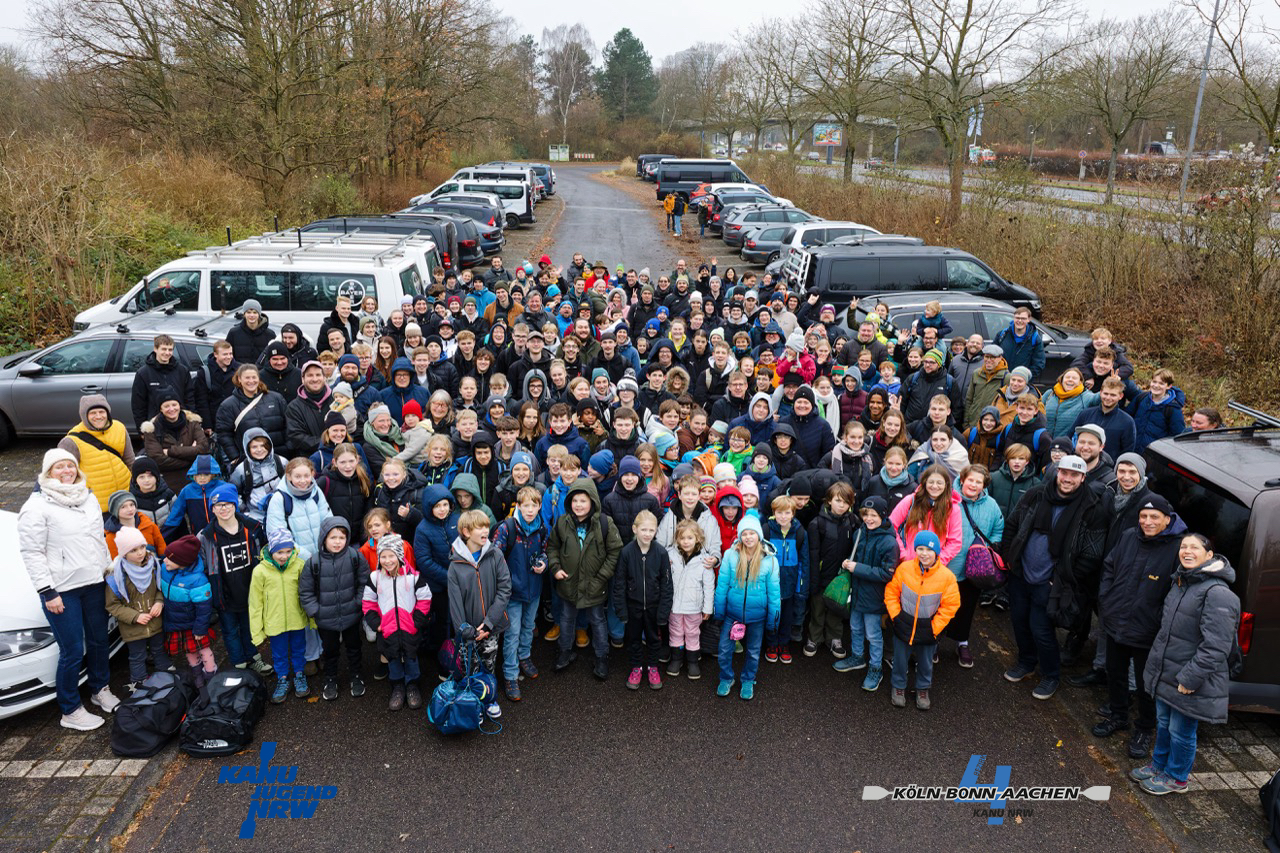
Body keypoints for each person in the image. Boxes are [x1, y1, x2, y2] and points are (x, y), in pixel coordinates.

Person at [17, 450, 120, 730]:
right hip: (62, 591)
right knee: (72, 650)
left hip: (93, 583)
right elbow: (32, 552)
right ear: (48, 472)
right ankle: (70, 708)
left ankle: (99, 689)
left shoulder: (87, 497)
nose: (66, 471)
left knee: (99, 640)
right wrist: (47, 591)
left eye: (70, 466)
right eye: (59, 467)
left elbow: (98, 539)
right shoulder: (36, 507)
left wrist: (108, 571)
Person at [1132, 533, 1240, 795]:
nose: (1187, 551)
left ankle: (1177, 777)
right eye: (1183, 546)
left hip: (1189, 678)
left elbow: (1216, 646)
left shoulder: (1218, 593)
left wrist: (1190, 678)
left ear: (1209, 555)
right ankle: (1159, 766)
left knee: (1181, 731)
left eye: (1194, 547)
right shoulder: (1181, 581)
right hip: (1168, 672)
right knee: (1164, 723)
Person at [1000, 455, 1111, 701]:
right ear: (1057, 473)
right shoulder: (1036, 495)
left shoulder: (1092, 508)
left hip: (1052, 584)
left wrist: (1060, 580)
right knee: (1019, 621)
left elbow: (1091, 556)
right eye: (1064, 473)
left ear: (1083, 478)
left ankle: (1051, 674)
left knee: (1041, 629)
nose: (1068, 479)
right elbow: (1012, 525)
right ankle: (1026, 662)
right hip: (1020, 574)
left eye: (1074, 475)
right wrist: (1009, 558)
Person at [1095, 495, 1186, 760]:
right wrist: (1107, 599)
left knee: (1147, 684)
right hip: (1116, 622)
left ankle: (1145, 728)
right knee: (1115, 673)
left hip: (1148, 631)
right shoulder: (1128, 537)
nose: (1147, 521)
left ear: (1167, 519)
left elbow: (1178, 591)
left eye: (1154, 517)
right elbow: (1109, 566)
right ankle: (1118, 715)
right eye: (1143, 516)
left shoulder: (1177, 548)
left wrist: (1158, 619)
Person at [549, 478, 623, 680]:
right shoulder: (562, 522)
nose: (578, 505)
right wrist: (555, 567)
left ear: (593, 502)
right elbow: (552, 547)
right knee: (566, 618)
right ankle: (565, 650)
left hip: (595, 584)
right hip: (568, 582)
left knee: (597, 620)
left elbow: (615, 551)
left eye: (583, 501)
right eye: (575, 501)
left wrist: (602, 577)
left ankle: (601, 656)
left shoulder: (605, 524)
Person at [198, 483, 272, 675]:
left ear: (235, 505)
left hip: (249, 590)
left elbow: (263, 555)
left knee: (250, 628)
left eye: (227, 504)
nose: (223, 509)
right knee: (230, 631)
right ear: (212, 509)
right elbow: (203, 566)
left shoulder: (252, 529)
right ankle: (239, 664)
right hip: (224, 594)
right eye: (218, 505)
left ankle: (254, 658)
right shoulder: (206, 536)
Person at [885, 531, 961, 710]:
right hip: (904, 624)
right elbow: (891, 592)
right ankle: (898, 686)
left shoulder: (947, 577)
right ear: (915, 550)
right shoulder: (904, 569)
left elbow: (951, 606)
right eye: (920, 549)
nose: (924, 553)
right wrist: (896, 616)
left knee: (926, 662)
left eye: (929, 549)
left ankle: (923, 688)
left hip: (928, 629)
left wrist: (934, 628)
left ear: (937, 552)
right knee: (900, 659)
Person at [447, 510, 512, 718]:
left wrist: (489, 623)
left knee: (489, 665)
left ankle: (489, 699)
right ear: (466, 532)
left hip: (491, 627)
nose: (486, 531)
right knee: (470, 669)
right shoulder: (455, 566)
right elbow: (455, 604)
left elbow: (504, 589)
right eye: (480, 527)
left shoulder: (495, 555)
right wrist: (466, 630)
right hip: (468, 632)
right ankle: (474, 704)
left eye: (486, 526)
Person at [299, 518, 369, 701]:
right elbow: (305, 591)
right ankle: (330, 678)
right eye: (333, 537)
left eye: (342, 537)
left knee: (354, 647)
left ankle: (356, 675)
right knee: (330, 651)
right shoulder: (313, 562)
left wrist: (358, 603)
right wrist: (316, 611)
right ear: (324, 538)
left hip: (352, 614)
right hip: (326, 618)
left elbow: (364, 582)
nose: (337, 542)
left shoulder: (355, 557)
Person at [713, 514, 781, 701]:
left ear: (759, 535)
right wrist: (719, 612)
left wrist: (773, 622)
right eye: (744, 533)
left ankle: (748, 679)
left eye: (752, 533)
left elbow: (774, 594)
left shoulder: (770, 561)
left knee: (753, 651)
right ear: (740, 536)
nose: (748, 537)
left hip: (757, 617)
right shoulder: (730, 555)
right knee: (724, 649)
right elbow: (722, 585)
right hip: (732, 614)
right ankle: (726, 678)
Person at [834, 496, 899, 691]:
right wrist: (848, 563)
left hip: (874, 596)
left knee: (873, 634)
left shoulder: (889, 543)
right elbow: (855, 558)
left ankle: (876, 667)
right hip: (857, 592)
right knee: (855, 627)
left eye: (874, 515)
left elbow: (887, 574)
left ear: (883, 515)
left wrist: (857, 568)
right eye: (865, 514)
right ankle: (857, 657)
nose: (869, 519)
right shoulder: (859, 533)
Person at [493, 488, 549, 701]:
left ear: (539, 506)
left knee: (528, 626)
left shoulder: (542, 528)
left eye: (534, 505)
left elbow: (545, 551)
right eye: (525, 505)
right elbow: (495, 557)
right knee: (512, 633)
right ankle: (510, 674)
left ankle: (524, 656)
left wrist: (543, 562)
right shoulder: (506, 528)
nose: (530, 510)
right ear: (518, 506)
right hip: (512, 592)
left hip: (533, 589)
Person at [946, 465, 1004, 669]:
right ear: (962, 480)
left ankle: (962, 642)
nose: (973, 484)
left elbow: (998, 529)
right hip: (948, 564)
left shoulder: (991, 505)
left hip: (975, 568)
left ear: (984, 485)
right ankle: (933, 641)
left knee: (967, 606)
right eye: (970, 480)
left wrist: (987, 548)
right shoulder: (948, 499)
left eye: (978, 482)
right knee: (939, 605)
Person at [103, 526, 171, 690]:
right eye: (133, 550)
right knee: (137, 656)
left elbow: (160, 589)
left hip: (155, 621)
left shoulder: (154, 566)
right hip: (132, 628)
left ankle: (167, 677)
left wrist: (159, 602)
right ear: (124, 553)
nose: (140, 553)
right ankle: (139, 684)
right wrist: (135, 616)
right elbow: (112, 605)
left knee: (159, 649)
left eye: (142, 547)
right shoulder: (116, 576)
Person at [613, 510, 673, 691]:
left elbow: (666, 584)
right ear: (635, 529)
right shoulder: (626, 552)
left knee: (654, 639)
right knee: (633, 639)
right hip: (633, 606)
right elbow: (620, 583)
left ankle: (653, 667)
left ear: (656, 531)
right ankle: (636, 667)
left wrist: (663, 611)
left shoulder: (661, 553)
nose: (647, 534)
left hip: (654, 607)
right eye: (643, 529)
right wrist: (622, 610)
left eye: (651, 530)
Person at [250, 529, 312, 703]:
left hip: (297, 619)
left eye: (288, 551)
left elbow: (307, 593)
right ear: (271, 551)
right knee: (279, 653)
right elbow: (255, 603)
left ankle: (299, 675)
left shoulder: (299, 565)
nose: (284, 556)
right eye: (279, 552)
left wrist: (312, 618)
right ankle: (283, 678)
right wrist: (257, 631)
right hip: (274, 622)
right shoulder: (260, 571)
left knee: (299, 649)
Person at [158, 534, 218, 689]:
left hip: (193, 624)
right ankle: (197, 674)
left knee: (203, 650)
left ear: (182, 562)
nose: (164, 561)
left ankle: (211, 675)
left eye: (169, 559)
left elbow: (204, 608)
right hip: (175, 622)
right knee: (189, 651)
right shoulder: (165, 569)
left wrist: (200, 628)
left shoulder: (198, 580)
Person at [805, 482, 856, 659]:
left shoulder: (852, 521)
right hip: (821, 574)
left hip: (839, 576)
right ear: (829, 501)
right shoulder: (817, 523)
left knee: (836, 609)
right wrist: (814, 580)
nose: (841, 505)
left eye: (846, 502)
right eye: (838, 501)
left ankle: (835, 638)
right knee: (817, 609)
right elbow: (813, 554)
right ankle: (814, 638)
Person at [59, 394, 134, 514]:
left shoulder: (119, 428)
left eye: (101, 412)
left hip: (125, 500)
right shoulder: (71, 441)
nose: (98, 416)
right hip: (97, 506)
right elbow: (63, 477)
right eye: (93, 413)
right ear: (84, 416)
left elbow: (130, 460)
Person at [666, 519, 716, 680]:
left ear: (698, 539)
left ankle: (693, 661)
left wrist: (707, 608)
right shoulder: (670, 556)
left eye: (690, 538)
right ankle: (676, 659)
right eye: (682, 538)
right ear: (677, 539)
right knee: (675, 632)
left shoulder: (705, 560)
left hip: (694, 607)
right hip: (674, 606)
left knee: (692, 633)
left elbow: (709, 586)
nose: (686, 541)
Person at [763, 496, 809, 665]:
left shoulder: (800, 532)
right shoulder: (767, 530)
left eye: (787, 513)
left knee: (787, 617)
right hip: (770, 584)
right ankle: (771, 644)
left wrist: (801, 586)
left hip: (790, 583)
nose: (783, 516)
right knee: (772, 615)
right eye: (779, 512)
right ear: (774, 513)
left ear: (793, 514)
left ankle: (783, 644)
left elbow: (804, 562)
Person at [215, 365, 288, 468]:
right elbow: (224, 433)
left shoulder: (276, 398)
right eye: (247, 378)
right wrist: (235, 457)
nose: (251, 381)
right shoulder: (228, 405)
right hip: (248, 461)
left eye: (254, 377)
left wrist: (288, 447)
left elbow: (288, 424)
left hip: (279, 457)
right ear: (239, 379)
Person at [141, 391, 211, 493]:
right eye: (166, 406)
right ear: (160, 409)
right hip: (168, 484)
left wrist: (171, 451)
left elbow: (204, 449)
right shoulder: (151, 429)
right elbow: (157, 460)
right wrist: (191, 457)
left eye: (174, 405)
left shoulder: (193, 423)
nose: (171, 409)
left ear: (179, 405)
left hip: (195, 480)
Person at [131, 334, 194, 427]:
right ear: (155, 349)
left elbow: (190, 398)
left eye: (170, 350)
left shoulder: (182, 371)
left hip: (180, 424)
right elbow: (138, 405)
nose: (167, 353)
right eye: (164, 349)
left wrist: (191, 422)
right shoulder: (143, 373)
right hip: (155, 426)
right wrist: (142, 428)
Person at [161, 454, 227, 540]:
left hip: (224, 534)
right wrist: (161, 538)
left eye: (206, 474)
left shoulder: (223, 488)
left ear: (213, 475)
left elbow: (235, 511)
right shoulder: (187, 491)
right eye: (199, 474)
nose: (202, 477)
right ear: (193, 474)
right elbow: (175, 515)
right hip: (199, 536)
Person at [104, 490, 166, 559]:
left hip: (154, 563)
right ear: (115, 511)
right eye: (123, 507)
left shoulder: (148, 524)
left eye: (132, 505)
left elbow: (161, 547)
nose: (130, 509)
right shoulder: (112, 536)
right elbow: (116, 560)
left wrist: (164, 561)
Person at [226, 299, 274, 364]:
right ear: (244, 314)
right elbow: (227, 354)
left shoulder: (270, 334)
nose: (251, 315)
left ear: (259, 314)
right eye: (248, 312)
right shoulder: (234, 333)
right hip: (240, 369)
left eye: (255, 312)